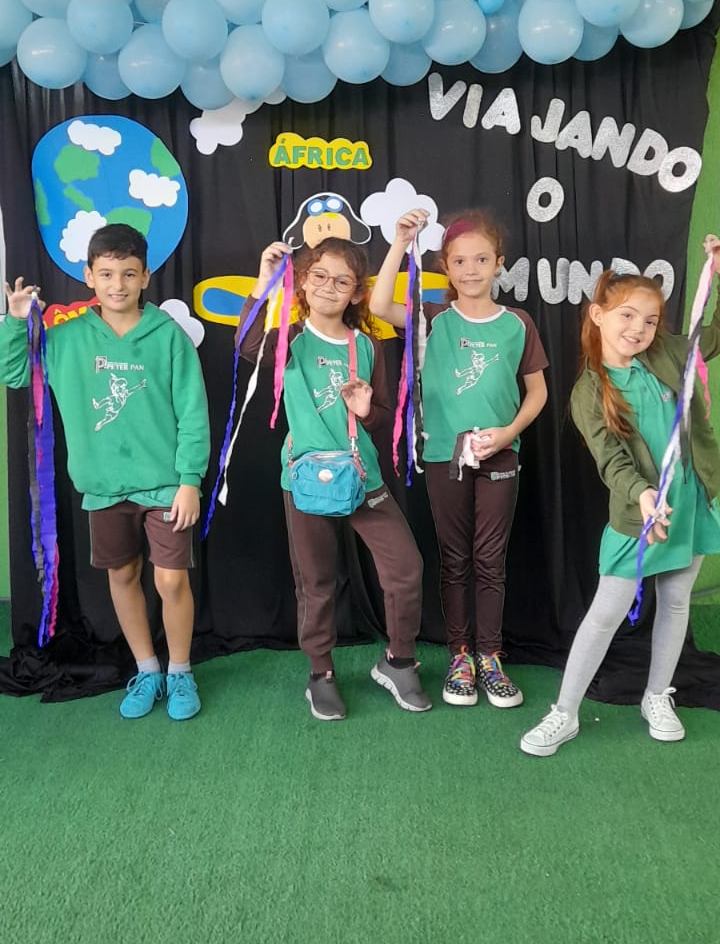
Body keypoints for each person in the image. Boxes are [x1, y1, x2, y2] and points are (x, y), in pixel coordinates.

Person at [0, 223, 210, 721]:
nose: (119, 284)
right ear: (89, 276)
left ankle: (180, 671)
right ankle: (148, 669)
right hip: (103, 486)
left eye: (129, 274)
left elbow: (193, 412)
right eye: (108, 273)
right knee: (123, 574)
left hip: (165, 486)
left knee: (171, 581)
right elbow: (15, 373)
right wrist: (15, 321)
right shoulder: (66, 338)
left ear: (146, 277)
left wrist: (189, 481)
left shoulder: (168, 337)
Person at [520, 243, 720, 756]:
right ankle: (564, 712)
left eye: (650, 321)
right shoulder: (590, 392)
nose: (639, 328)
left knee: (675, 601)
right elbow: (612, 461)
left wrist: (716, 274)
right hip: (641, 514)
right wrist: (643, 493)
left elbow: (714, 334)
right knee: (606, 612)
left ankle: (657, 695)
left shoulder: (667, 353)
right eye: (627, 315)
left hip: (691, 503)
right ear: (598, 315)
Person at [236, 235, 430, 721]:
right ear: (303, 282)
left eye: (342, 281)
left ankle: (399, 661)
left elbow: (382, 415)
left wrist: (366, 412)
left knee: (405, 568)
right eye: (319, 276)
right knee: (316, 581)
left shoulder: (366, 345)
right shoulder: (290, 340)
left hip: (362, 477)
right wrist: (262, 283)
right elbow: (247, 347)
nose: (328, 287)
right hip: (306, 480)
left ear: (357, 292)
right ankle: (320, 672)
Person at [370, 209, 548, 709]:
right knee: (455, 559)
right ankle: (460, 657)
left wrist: (508, 432)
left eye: (482, 260)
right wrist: (400, 241)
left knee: (490, 560)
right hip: (443, 457)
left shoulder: (518, 324)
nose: (471, 270)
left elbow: (537, 392)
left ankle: (490, 657)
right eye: (460, 261)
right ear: (445, 267)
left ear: (499, 263)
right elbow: (379, 304)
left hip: (501, 456)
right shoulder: (432, 320)